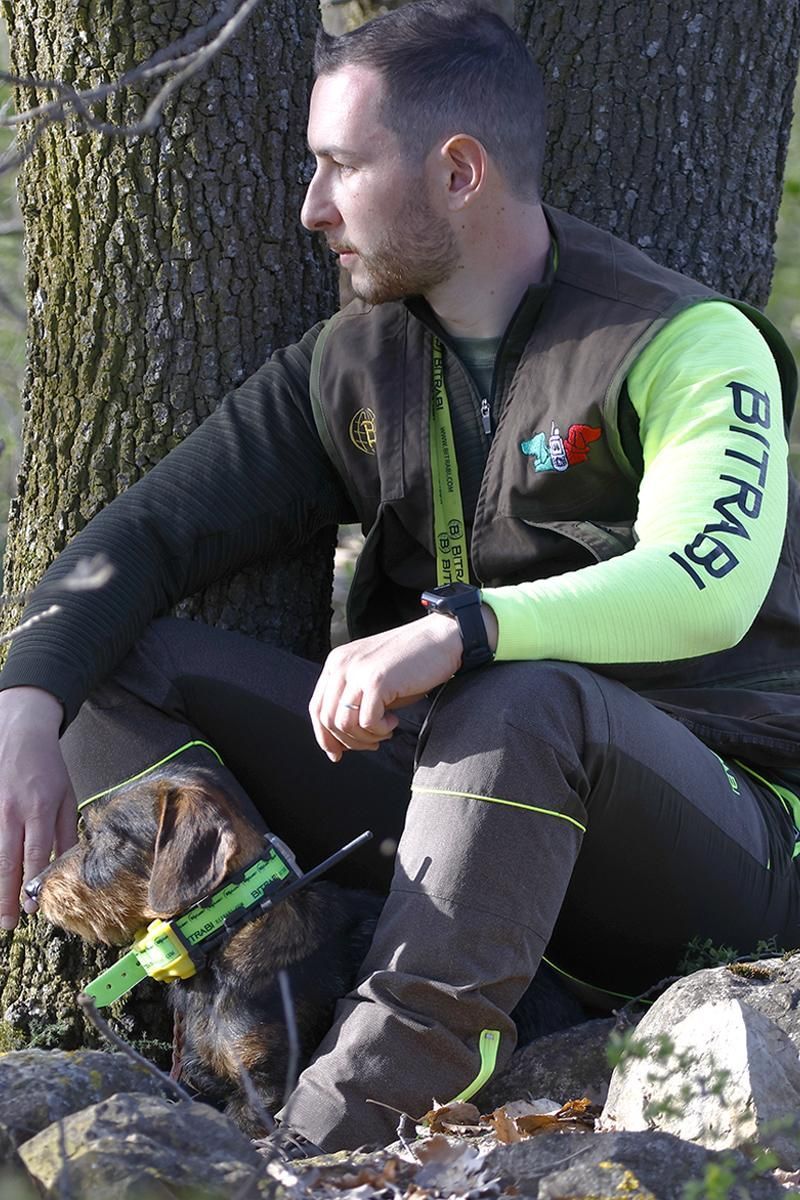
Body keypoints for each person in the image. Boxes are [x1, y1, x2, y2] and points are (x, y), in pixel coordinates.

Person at [2, 0, 800, 1151]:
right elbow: (149, 537)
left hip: (708, 839)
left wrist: (465, 631)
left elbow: (702, 580)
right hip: (451, 812)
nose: (310, 208)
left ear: (458, 169)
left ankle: (340, 1121)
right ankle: (236, 1031)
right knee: (117, 665)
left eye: (338, 166)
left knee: (518, 698)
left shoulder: (682, 343)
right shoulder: (350, 365)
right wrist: (25, 701)